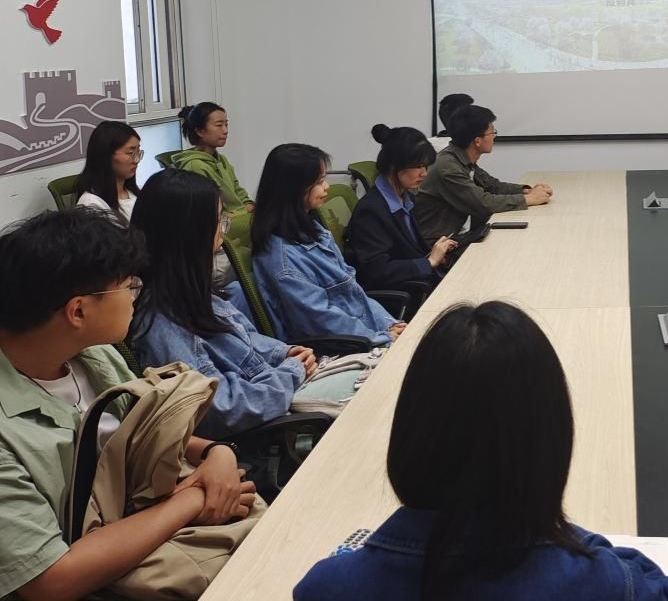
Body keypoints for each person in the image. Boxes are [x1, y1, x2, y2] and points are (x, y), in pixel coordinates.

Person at [293, 301, 668, 601]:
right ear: (548, 444)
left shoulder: (327, 588)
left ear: (410, 433)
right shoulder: (603, 583)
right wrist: (568, 539)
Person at [0, 208, 255, 601]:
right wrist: (194, 498)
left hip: (153, 538)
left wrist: (217, 453)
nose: (136, 296)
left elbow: (138, 434)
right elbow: (50, 581)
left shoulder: (93, 356)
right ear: (78, 310)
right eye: (128, 286)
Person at [128, 170, 315, 438]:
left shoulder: (195, 295)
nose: (222, 232)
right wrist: (292, 371)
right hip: (263, 436)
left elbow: (247, 338)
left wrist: (284, 353)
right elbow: (222, 409)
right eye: (218, 222)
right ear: (189, 235)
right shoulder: (162, 325)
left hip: (279, 398)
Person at [252, 143, 404, 346]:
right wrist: (381, 337)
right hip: (339, 346)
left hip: (363, 336)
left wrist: (388, 325)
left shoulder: (312, 229)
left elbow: (354, 292)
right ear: (292, 188)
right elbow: (321, 320)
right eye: (318, 182)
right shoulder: (283, 259)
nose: (326, 187)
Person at [345, 124, 456, 305]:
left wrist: (435, 253)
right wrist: (428, 262)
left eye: (425, 166)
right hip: (399, 298)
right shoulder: (371, 210)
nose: (424, 173)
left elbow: (406, 250)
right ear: (394, 165)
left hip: (418, 285)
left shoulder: (405, 198)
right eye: (418, 166)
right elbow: (376, 271)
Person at [414, 105, 553, 245]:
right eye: (492, 132)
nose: (494, 137)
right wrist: (528, 199)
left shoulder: (460, 157)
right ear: (477, 141)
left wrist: (526, 190)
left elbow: (493, 186)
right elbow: (483, 203)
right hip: (438, 245)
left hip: (457, 236)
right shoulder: (448, 167)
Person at [171, 102, 254, 216]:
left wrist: (248, 204)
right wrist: (245, 210)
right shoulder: (195, 166)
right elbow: (208, 212)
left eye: (226, 125)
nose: (225, 130)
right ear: (200, 131)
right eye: (219, 125)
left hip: (240, 216)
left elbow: (238, 191)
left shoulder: (222, 160)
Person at [74, 120, 142, 221]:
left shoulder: (136, 192)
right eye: (130, 153)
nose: (137, 160)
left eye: (138, 152)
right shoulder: (91, 204)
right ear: (106, 155)